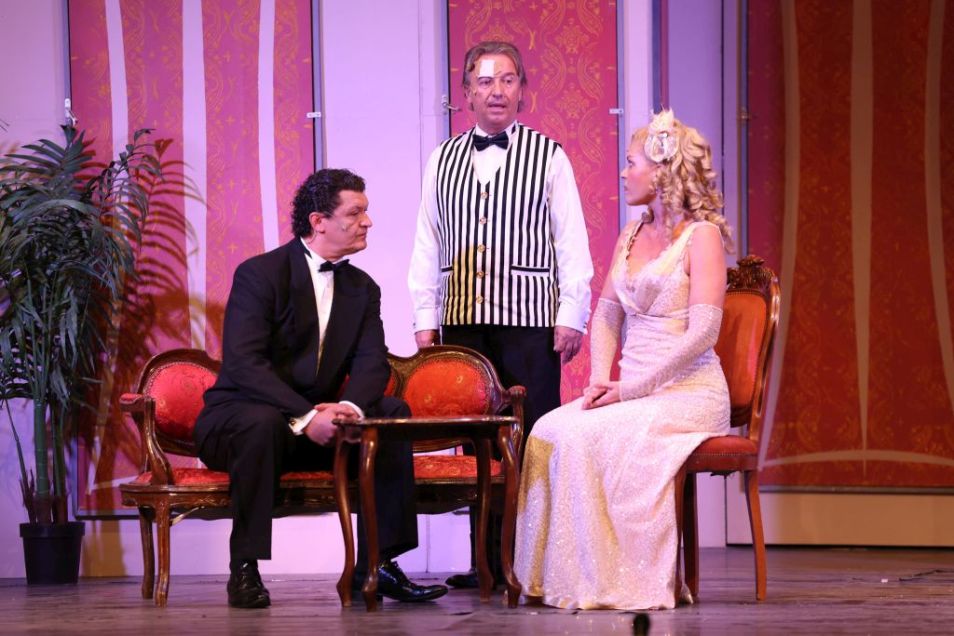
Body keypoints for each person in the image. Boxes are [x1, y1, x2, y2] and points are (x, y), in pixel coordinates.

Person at [194, 169, 448, 608]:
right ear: (318, 221)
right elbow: (245, 364)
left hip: (322, 424)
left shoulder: (362, 288)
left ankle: (377, 566)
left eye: (365, 212)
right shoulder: (260, 274)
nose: (367, 221)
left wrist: (348, 408)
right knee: (260, 423)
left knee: (390, 413)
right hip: (240, 420)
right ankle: (244, 567)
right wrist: (307, 415)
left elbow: (372, 362)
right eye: (355, 212)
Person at [513, 110, 734, 610]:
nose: (623, 172)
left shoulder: (701, 237)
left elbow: (703, 333)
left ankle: (622, 578)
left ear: (662, 170)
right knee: (548, 430)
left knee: (590, 435)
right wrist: (598, 381)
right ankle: (561, 576)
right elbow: (608, 314)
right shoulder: (631, 234)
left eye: (631, 162)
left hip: (688, 393)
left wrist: (631, 390)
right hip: (629, 391)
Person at [408, 40, 593, 588]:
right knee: (477, 441)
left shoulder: (550, 156)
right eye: (485, 81)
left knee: (532, 436)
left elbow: (571, 240)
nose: (496, 91)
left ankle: (533, 561)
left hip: (530, 320)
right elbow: (427, 241)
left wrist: (572, 313)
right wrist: (425, 315)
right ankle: (486, 563)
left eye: (507, 80)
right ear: (466, 93)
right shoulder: (441, 159)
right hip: (463, 319)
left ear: (522, 91)